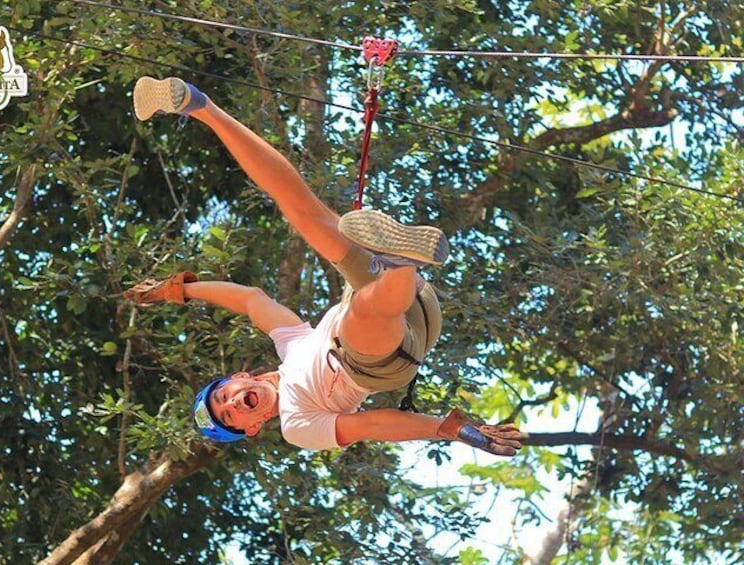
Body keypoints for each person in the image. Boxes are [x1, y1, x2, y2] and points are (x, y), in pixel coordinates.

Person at [125, 76, 522, 456]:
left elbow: (250, 300)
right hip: (381, 359)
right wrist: (445, 428)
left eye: (222, 396)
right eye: (231, 416)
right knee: (360, 314)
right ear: (253, 426)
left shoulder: (291, 342)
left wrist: (177, 289)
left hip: (397, 296)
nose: (231, 403)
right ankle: (400, 262)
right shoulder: (297, 426)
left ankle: (199, 105)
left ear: (240, 377)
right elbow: (371, 425)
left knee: (305, 215)